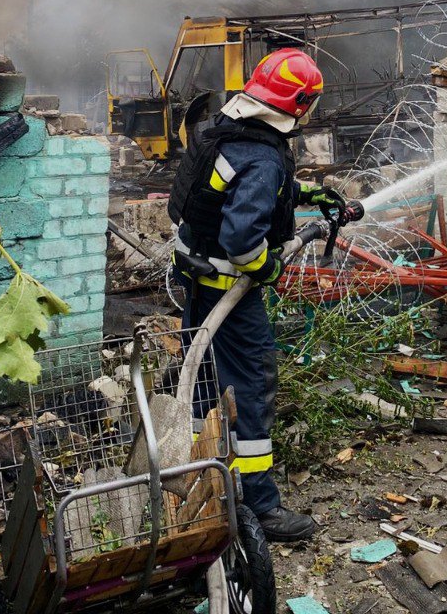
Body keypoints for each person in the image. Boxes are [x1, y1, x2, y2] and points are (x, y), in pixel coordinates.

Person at [167, 47, 342, 542]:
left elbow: (226, 190)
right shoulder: (264, 157)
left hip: (196, 279)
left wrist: (307, 195)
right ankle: (260, 506)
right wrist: (267, 267)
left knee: (200, 375)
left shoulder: (223, 128)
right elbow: (244, 240)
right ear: (300, 103)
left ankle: (201, 476)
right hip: (230, 293)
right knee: (251, 386)